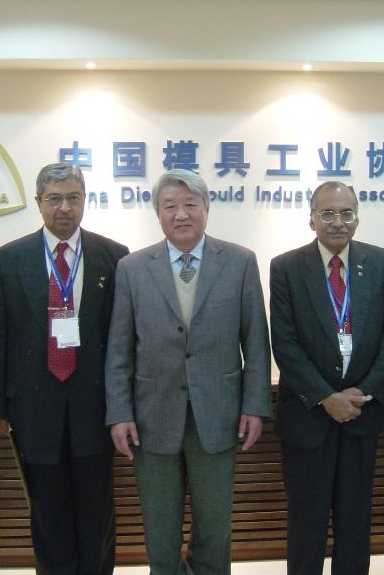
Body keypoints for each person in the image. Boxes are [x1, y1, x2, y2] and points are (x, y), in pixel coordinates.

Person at [105, 169, 271, 575]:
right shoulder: (132, 268)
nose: (181, 214)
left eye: (191, 205)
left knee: (214, 527)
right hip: (152, 417)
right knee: (160, 530)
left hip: (219, 416)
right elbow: (119, 350)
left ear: (207, 209)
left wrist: (255, 406)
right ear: (158, 214)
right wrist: (120, 413)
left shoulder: (240, 262)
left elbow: (256, 343)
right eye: (170, 206)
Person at [0, 162, 129, 575]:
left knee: (96, 512)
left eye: (73, 198)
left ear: (85, 201)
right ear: (38, 202)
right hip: (33, 407)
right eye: (54, 198)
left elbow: (123, 339)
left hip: (95, 406)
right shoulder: (7, 259)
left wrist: (124, 405)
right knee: (47, 512)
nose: (64, 207)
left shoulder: (115, 257)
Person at [269, 181, 384, 575]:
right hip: (307, 417)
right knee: (306, 523)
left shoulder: (380, 263)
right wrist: (326, 396)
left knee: (355, 522)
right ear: (311, 219)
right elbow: (285, 343)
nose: (337, 222)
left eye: (346, 213)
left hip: (361, 414)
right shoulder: (286, 267)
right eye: (327, 213)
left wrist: (364, 391)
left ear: (357, 218)